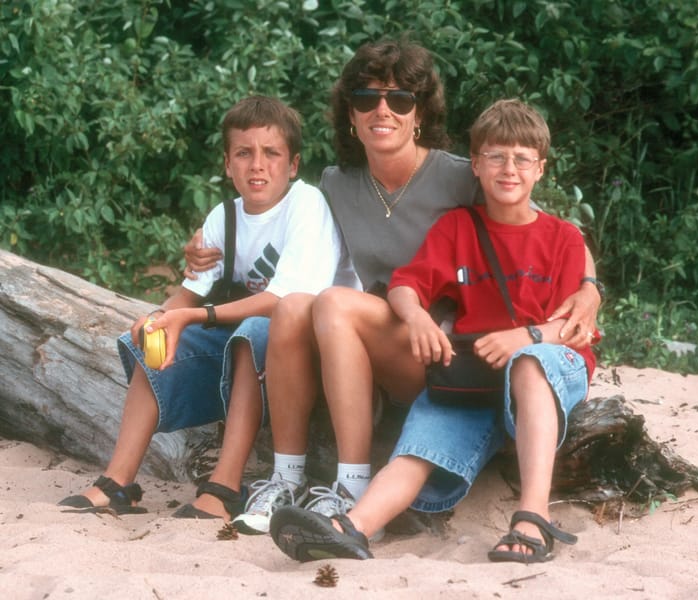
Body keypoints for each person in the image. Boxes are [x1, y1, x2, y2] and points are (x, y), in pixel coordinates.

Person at [183, 38, 602, 535]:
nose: (383, 110)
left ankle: (353, 483)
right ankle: (286, 479)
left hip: (448, 348)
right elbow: (273, 218)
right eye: (367, 99)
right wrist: (210, 240)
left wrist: (590, 286)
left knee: (334, 304)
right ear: (351, 115)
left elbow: (535, 223)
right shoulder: (337, 184)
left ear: (419, 113)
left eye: (399, 99)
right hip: (380, 336)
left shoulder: (460, 176)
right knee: (295, 306)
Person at [269, 98, 597, 564]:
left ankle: (532, 517)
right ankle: (353, 526)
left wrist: (528, 338)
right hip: (476, 373)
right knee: (420, 445)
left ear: (540, 169)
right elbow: (406, 284)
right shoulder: (458, 226)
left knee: (528, 365)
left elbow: (576, 326)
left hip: (548, 362)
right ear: (475, 167)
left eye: (522, 159)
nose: (509, 169)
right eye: (496, 157)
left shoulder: (563, 237)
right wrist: (418, 316)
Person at [58, 95, 355, 520]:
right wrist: (160, 317)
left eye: (271, 153)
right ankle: (118, 482)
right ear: (227, 163)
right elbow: (189, 295)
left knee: (250, 333)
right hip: (248, 342)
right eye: (244, 153)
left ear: (292, 165)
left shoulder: (304, 206)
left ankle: (225, 485)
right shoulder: (224, 217)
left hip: (304, 353)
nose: (257, 165)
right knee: (152, 338)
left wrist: (192, 317)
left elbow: (282, 301)